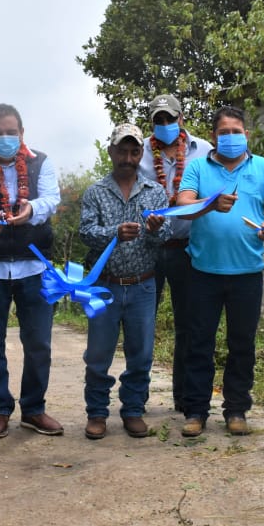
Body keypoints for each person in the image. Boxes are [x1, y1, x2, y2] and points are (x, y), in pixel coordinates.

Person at [175, 105, 264, 437]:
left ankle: (236, 410)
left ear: (247, 135)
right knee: (199, 343)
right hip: (202, 272)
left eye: (236, 132)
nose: (231, 138)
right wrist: (209, 203)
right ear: (213, 137)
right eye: (224, 133)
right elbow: (183, 205)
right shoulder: (197, 167)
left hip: (247, 272)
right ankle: (196, 412)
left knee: (242, 344)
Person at [0, 103, 63, 438]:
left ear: (22, 133)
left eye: (11, 132)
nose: (5, 138)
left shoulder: (41, 163)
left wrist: (31, 208)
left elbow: (51, 200)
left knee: (39, 342)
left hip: (34, 265)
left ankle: (33, 408)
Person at [78, 123, 171, 439]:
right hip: (104, 285)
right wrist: (112, 234)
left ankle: (133, 410)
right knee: (98, 355)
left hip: (144, 284)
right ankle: (97, 413)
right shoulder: (96, 192)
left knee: (141, 355)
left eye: (134, 151)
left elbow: (165, 236)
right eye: (122, 150)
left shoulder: (155, 191)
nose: (128, 157)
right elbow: (86, 233)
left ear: (140, 154)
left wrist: (157, 230)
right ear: (111, 152)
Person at [137, 94, 212, 412]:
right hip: (149, 248)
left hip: (187, 249)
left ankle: (184, 396)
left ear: (181, 118)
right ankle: (135, 398)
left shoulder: (205, 150)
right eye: (159, 120)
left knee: (189, 324)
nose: (165, 124)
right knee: (141, 323)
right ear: (152, 122)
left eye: (170, 118)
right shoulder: (137, 151)